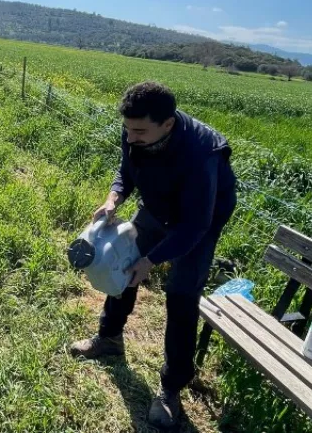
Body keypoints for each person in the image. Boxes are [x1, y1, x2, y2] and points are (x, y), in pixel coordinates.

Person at [69, 81, 237, 429]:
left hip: (198, 221)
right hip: (157, 206)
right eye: (128, 130)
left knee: (180, 296)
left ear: (168, 124)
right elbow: (126, 171)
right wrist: (113, 198)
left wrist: (151, 261)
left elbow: (195, 225)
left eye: (139, 132)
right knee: (121, 262)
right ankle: (110, 338)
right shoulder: (136, 128)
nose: (130, 138)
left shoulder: (201, 153)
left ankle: (171, 388)